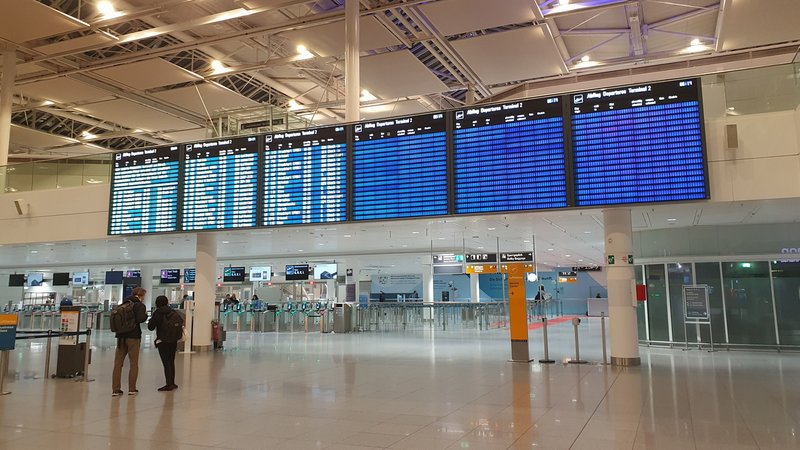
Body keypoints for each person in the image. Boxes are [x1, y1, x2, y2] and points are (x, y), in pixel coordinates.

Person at [112, 287, 148, 397]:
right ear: (141, 295)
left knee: (118, 364)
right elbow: (140, 319)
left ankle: (115, 390)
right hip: (133, 336)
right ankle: (132, 388)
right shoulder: (139, 305)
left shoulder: (123, 304)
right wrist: (145, 315)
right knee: (133, 363)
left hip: (121, 337)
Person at [148, 295, 183, 392]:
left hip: (163, 340)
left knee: (166, 362)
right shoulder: (173, 311)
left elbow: (150, 327)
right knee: (171, 361)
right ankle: (172, 382)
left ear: (157, 303)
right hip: (173, 340)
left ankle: (168, 384)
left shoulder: (158, 313)